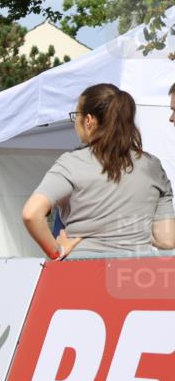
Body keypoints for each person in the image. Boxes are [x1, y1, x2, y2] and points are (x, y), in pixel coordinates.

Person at [22, 83, 175, 258]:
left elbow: (31, 214)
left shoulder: (71, 163)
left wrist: (57, 251)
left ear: (89, 121)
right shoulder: (152, 167)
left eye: (76, 116)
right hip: (134, 272)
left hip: (81, 268)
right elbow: (167, 240)